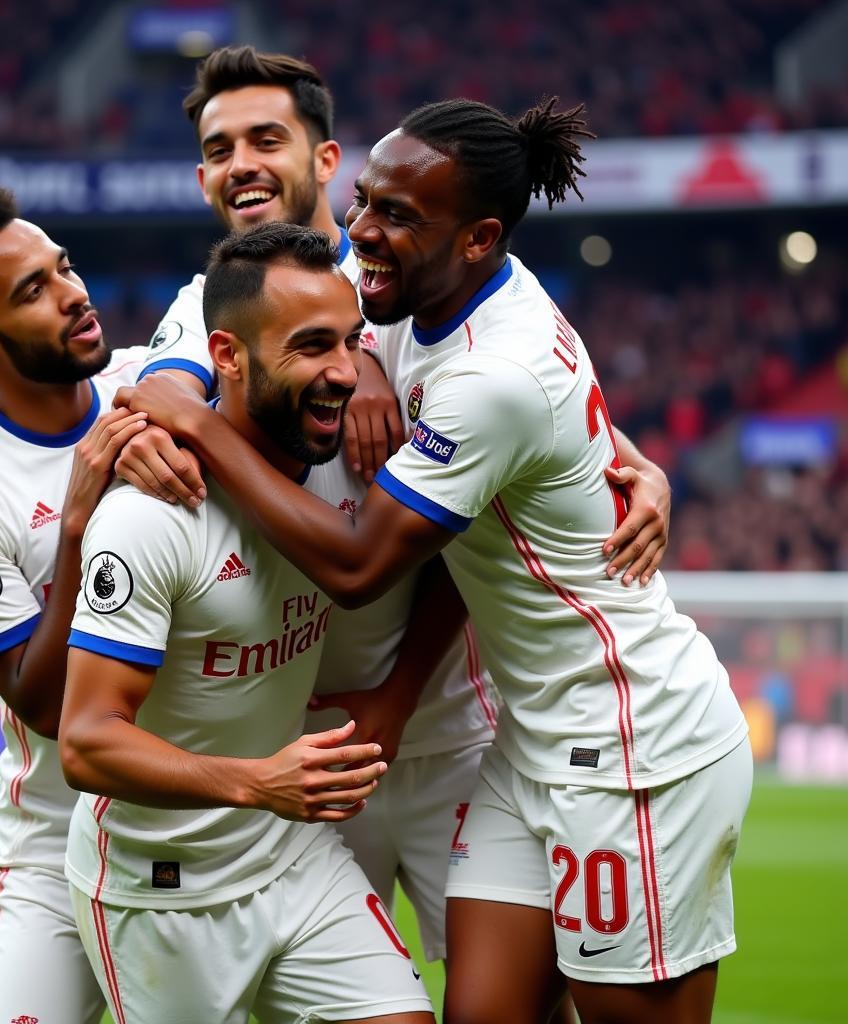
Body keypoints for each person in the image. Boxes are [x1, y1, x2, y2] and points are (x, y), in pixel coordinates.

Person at [114, 98, 752, 1024]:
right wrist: (361, 359)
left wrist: (205, 429)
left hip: (630, 744)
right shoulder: (435, 288)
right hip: (531, 741)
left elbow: (360, 564)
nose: (361, 233)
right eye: (364, 200)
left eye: (395, 217)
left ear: (479, 238)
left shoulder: (496, 376)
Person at [59, 223, 434, 1024]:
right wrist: (257, 782)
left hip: (291, 854)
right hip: (161, 885)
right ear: (226, 356)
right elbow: (87, 740)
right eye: (311, 347)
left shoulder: (357, 464)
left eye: (352, 343)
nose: (343, 372)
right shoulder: (150, 514)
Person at [0, 182, 202, 1024]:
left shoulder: (157, 383)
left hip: (204, 825)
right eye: (33, 290)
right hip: (54, 850)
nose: (73, 293)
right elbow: (45, 703)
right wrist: (76, 525)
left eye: (62, 267)